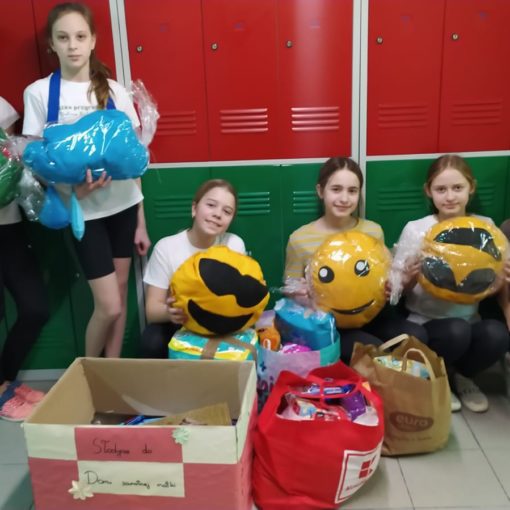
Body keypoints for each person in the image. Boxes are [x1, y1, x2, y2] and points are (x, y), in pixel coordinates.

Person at [22, 3, 150, 358]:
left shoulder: (114, 91)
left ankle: (113, 369)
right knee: (108, 305)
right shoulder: (39, 93)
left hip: (123, 205)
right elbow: (35, 161)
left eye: (80, 36)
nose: (73, 45)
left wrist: (141, 222)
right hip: (82, 212)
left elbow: (132, 162)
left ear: (93, 40)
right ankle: (90, 371)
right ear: (52, 44)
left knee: (120, 293)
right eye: (63, 38)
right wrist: (73, 190)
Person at [393, 154, 510, 412]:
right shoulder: (417, 229)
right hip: (427, 323)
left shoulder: (486, 227)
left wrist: (501, 279)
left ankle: (463, 376)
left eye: (457, 188)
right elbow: (396, 290)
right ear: (428, 191)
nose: (450, 197)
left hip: (471, 321)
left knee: (497, 335)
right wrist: (409, 277)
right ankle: (440, 378)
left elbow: (493, 286)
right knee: (457, 331)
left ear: (471, 188)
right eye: (441, 189)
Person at [284, 156, 427, 364]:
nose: (344, 198)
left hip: (373, 316)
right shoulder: (300, 238)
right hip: (332, 323)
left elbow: (384, 277)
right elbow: (290, 288)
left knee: (417, 337)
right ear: (320, 191)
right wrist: (303, 295)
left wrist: (396, 284)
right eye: (336, 189)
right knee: (373, 351)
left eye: (352, 191)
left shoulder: (373, 231)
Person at [141, 179, 245, 358]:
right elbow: (151, 310)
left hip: (220, 321)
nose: (217, 214)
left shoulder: (234, 244)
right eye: (211, 205)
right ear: (194, 208)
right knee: (152, 341)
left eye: (227, 211)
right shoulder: (166, 247)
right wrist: (171, 313)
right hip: (180, 322)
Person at [0, 97, 49, 421]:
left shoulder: (0, 107)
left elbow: (13, 155)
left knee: (35, 308)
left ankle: (5, 380)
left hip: (9, 223)